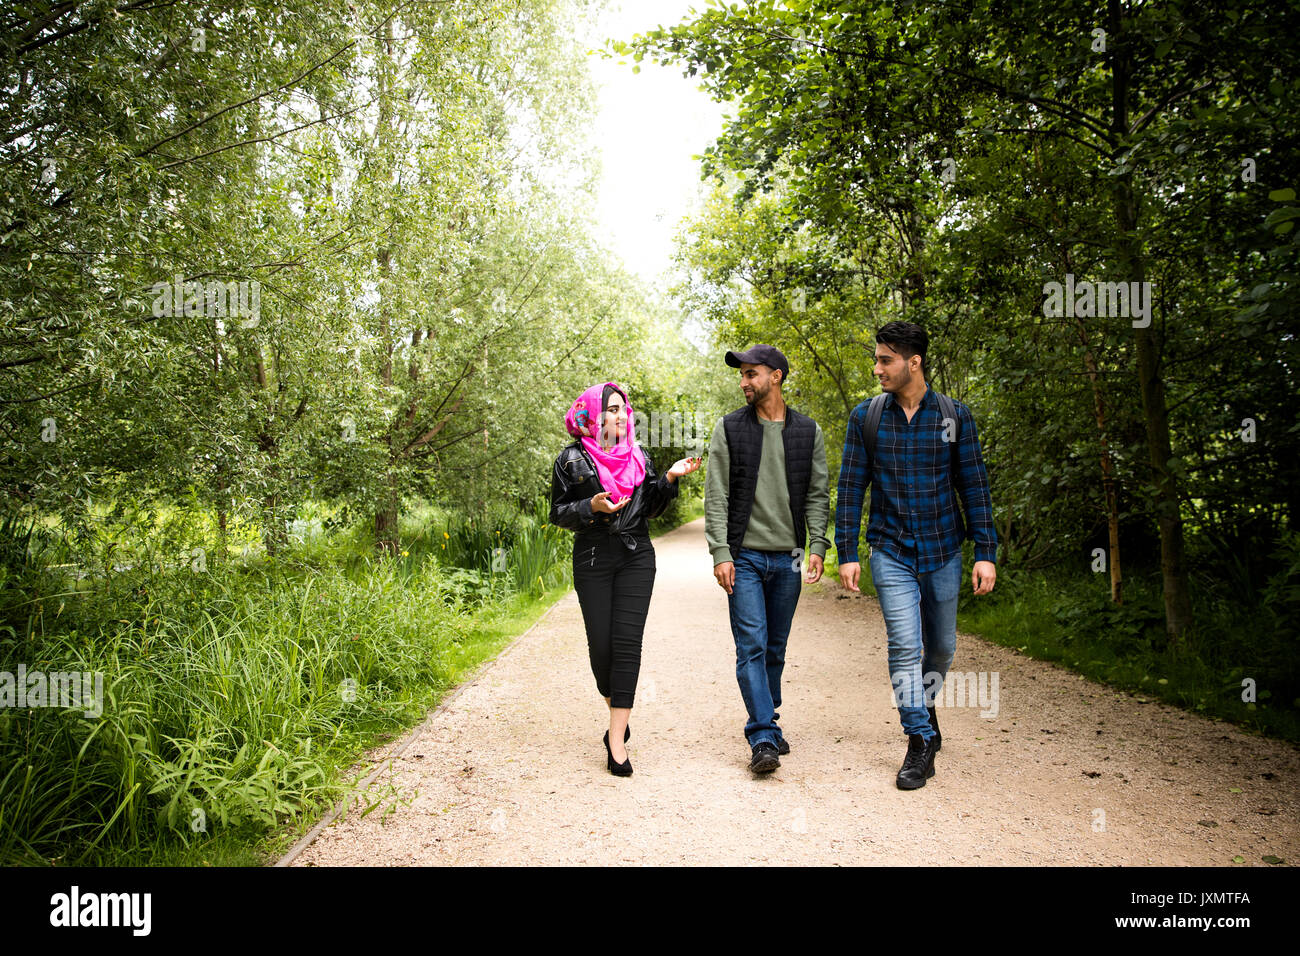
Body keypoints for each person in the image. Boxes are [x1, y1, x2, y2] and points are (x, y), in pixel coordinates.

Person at [834, 321, 998, 790]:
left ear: (914, 362)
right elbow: (851, 488)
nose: (877, 368)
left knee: (942, 647)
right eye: (877, 359)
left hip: (943, 548)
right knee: (905, 646)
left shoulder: (954, 416)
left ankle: (924, 705)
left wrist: (985, 551)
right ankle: (919, 739)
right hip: (890, 549)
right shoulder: (866, 417)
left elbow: (974, 486)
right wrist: (847, 551)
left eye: (885, 360)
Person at [549, 381, 701, 776]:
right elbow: (558, 512)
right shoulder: (570, 459)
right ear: (591, 417)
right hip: (593, 558)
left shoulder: (639, 455)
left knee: (627, 644)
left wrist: (669, 478)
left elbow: (650, 508)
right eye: (612, 409)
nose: (621, 416)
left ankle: (616, 741)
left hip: (637, 556)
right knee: (601, 649)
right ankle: (615, 704)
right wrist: (591, 506)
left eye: (623, 409)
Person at [704, 345, 830, 774]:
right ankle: (761, 735)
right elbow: (717, 495)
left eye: (750, 373)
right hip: (745, 558)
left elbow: (817, 494)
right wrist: (721, 552)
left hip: (789, 558)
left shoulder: (808, 432)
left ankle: (769, 721)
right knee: (752, 645)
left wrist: (818, 546)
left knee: (775, 647)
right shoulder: (729, 428)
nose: (743, 381)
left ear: (775, 376)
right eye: (741, 375)